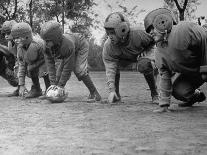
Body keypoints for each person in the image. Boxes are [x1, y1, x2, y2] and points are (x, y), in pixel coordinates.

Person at [144, 8, 207, 112]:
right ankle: (196, 96)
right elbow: (164, 77)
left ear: (163, 21)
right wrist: (164, 105)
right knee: (178, 91)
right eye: (148, 30)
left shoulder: (183, 29)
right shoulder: (158, 52)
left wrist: (205, 67)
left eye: (152, 28)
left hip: (203, 63)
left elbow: (204, 37)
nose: (150, 33)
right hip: (194, 73)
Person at [102, 12, 159, 104]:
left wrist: (149, 53)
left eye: (112, 33)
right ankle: (116, 95)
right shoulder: (108, 46)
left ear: (123, 30)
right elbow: (110, 68)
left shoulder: (139, 33)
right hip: (125, 59)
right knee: (114, 66)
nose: (110, 37)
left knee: (143, 65)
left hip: (142, 54)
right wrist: (111, 90)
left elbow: (156, 40)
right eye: (108, 33)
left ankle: (155, 94)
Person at [40, 21, 101, 102]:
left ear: (55, 39)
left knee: (79, 70)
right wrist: (53, 85)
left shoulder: (67, 45)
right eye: (44, 40)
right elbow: (50, 66)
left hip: (81, 45)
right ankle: (53, 91)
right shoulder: (46, 46)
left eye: (48, 41)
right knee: (58, 74)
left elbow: (68, 68)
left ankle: (95, 93)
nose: (45, 43)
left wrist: (61, 86)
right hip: (70, 48)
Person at [11, 22, 50, 98]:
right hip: (37, 62)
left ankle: (49, 89)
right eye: (15, 38)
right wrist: (21, 85)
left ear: (26, 36)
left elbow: (49, 59)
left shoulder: (39, 44)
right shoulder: (20, 47)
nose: (16, 40)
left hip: (47, 61)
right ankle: (36, 89)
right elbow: (22, 65)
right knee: (29, 68)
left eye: (18, 37)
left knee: (44, 69)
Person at [0, 20, 19, 96]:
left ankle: (20, 87)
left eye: (8, 33)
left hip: (2, 67)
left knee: (14, 82)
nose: (6, 36)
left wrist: (10, 68)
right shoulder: (10, 42)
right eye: (5, 34)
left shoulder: (2, 48)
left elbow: (10, 55)